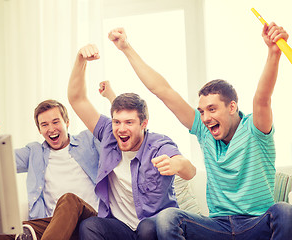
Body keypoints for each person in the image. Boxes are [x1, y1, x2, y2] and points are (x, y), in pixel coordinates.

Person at [108, 22, 292, 239]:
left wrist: (273, 52)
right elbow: (163, 91)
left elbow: (262, 98)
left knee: (284, 211)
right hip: (219, 227)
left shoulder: (255, 130)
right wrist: (126, 47)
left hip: (256, 224)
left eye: (212, 109)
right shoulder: (204, 132)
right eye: (202, 111)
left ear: (232, 107)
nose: (205, 118)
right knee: (168, 218)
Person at [67, 43, 196, 240]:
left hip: (153, 226)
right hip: (120, 227)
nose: (121, 128)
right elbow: (77, 99)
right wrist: (80, 60)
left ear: (144, 123)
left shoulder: (158, 145)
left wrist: (175, 164)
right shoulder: (109, 135)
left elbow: (190, 171)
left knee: (146, 228)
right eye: (117, 122)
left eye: (129, 122)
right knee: (89, 226)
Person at [0, 87, 116, 240]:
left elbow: (114, 132)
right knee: (5, 230)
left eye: (55, 122)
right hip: (54, 225)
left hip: (90, 219)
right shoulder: (35, 152)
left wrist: (111, 97)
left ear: (67, 122)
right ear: (39, 129)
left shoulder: (88, 140)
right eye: (44, 124)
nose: (51, 129)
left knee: (69, 200)